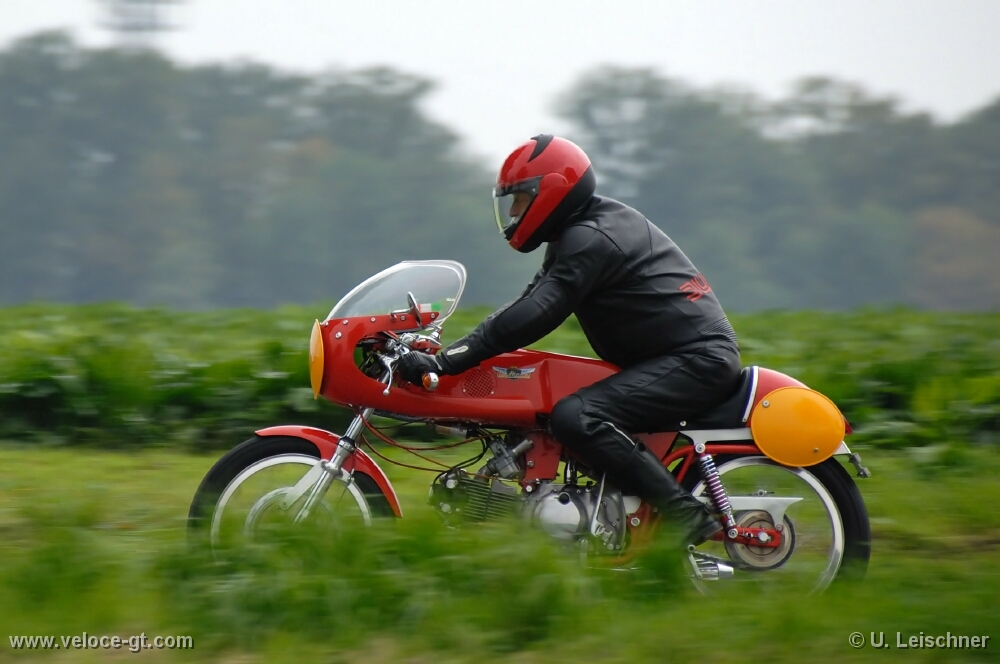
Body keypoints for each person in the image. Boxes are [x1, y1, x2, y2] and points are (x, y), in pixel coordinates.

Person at [399, 134, 740, 546]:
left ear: (551, 191)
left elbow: (537, 313)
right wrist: (449, 350)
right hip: (676, 358)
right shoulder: (577, 233)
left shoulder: (592, 237)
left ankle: (684, 515)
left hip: (697, 360)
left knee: (576, 416)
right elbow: (525, 304)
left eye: (519, 199)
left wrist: (447, 362)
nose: (512, 212)